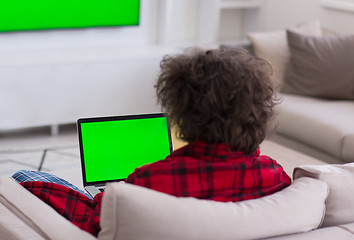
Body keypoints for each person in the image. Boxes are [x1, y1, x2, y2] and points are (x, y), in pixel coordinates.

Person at [13, 47, 291, 236]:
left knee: (23, 176)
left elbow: (95, 224)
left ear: (183, 110)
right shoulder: (274, 175)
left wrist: (106, 197)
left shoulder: (148, 182)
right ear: (259, 111)